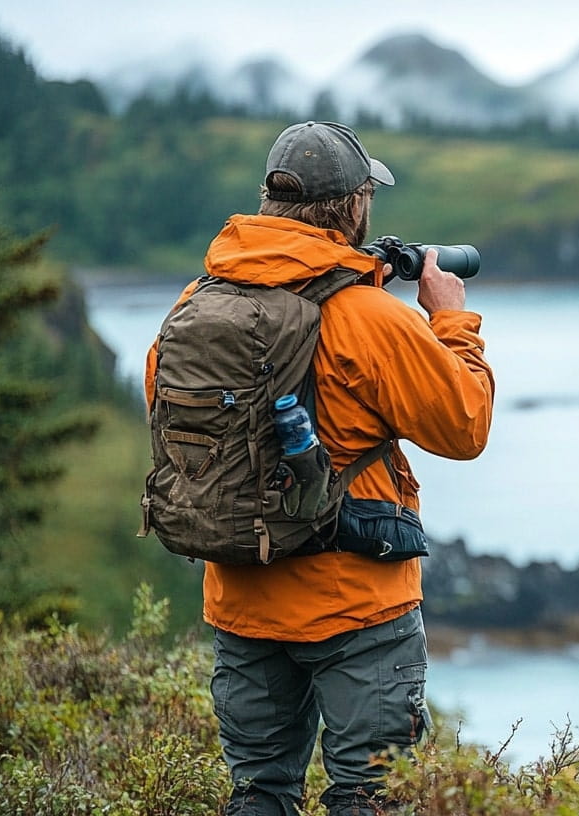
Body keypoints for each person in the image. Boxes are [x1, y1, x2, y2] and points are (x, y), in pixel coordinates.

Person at [144, 121, 495, 816]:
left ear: (270, 203)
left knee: (260, 795)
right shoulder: (369, 317)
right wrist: (451, 321)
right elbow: (465, 427)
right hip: (358, 605)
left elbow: (167, 410)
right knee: (368, 797)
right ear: (357, 206)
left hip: (242, 598)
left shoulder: (193, 305)